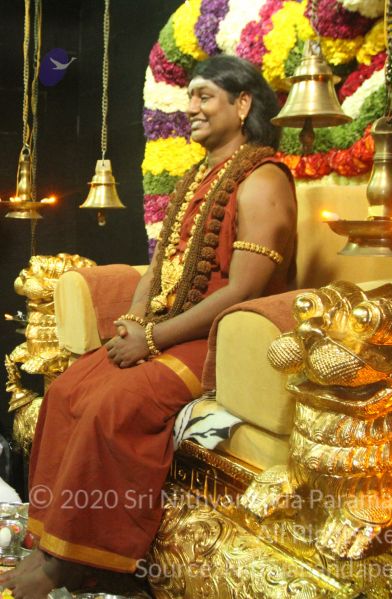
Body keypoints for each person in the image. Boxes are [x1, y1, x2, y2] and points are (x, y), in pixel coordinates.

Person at [2, 55, 296, 598]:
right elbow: (158, 267)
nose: (192, 108)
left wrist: (155, 338)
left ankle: (74, 565)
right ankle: (50, 543)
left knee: (113, 407)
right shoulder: (198, 178)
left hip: (219, 340)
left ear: (243, 104)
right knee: (68, 390)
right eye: (190, 97)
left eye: (205, 97)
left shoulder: (264, 179)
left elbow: (244, 290)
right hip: (167, 327)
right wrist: (135, 321)